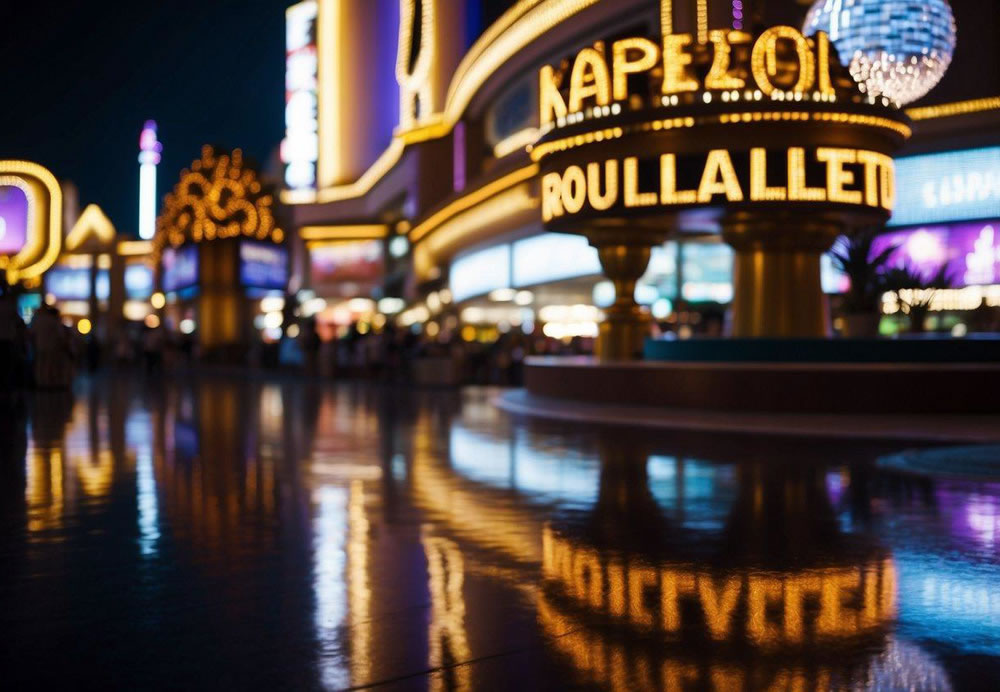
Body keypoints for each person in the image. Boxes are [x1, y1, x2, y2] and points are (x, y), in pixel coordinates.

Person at [29, 304, 70, 389]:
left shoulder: (37, 320)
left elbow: (31, 333)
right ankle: (47, 383)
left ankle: (40, 383)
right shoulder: (53, 320)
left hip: (39, 345)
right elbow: (60, 335)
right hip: (51, 346)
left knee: (40, 364)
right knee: (48, 365)